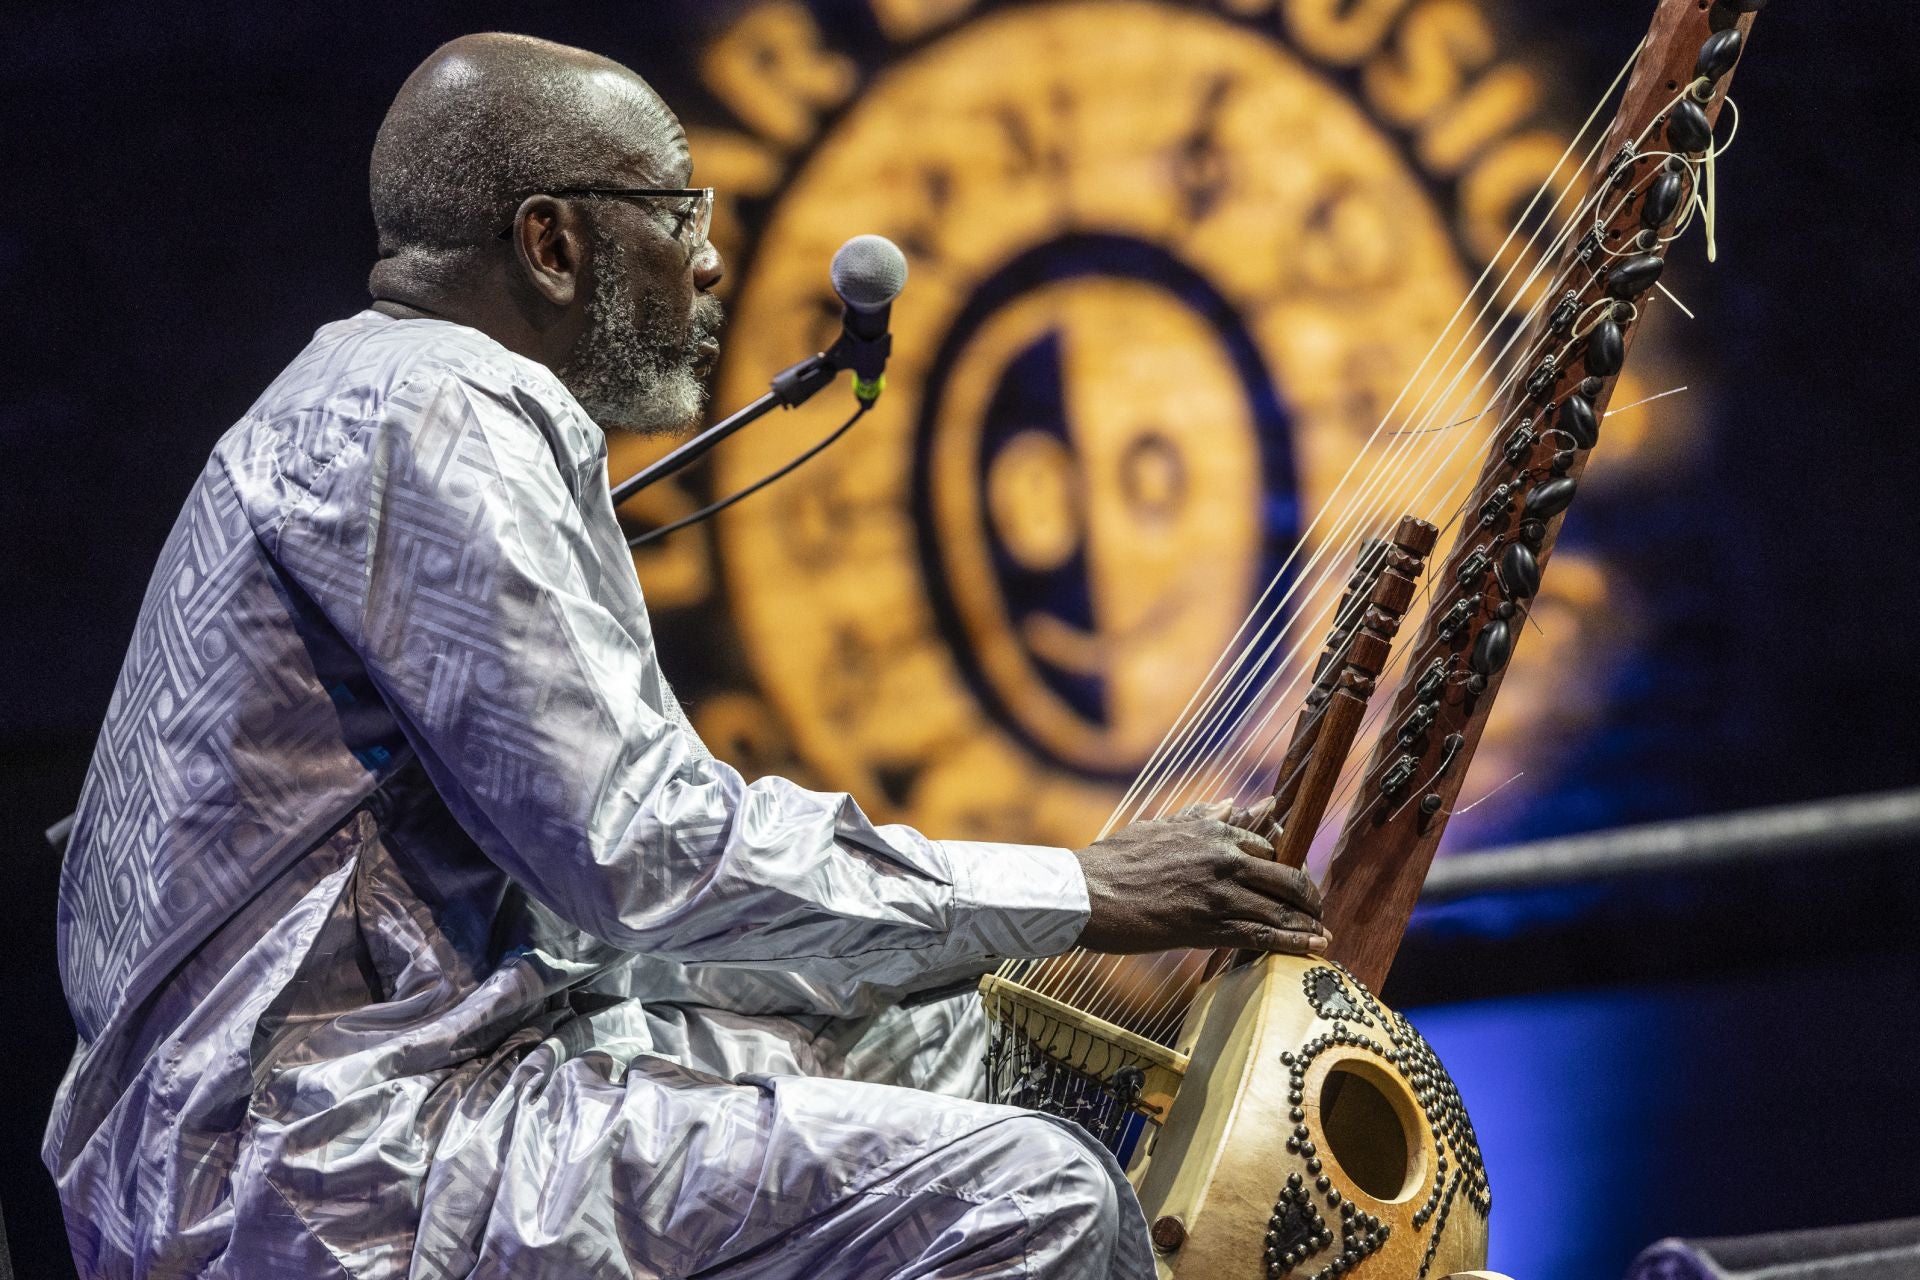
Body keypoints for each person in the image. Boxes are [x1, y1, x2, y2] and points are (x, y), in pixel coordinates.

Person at [45, 33, 1327, 1279]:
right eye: (678, 211)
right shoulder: (443, 410)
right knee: (1038, 1195)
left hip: (311, 1113)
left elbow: (585, 906)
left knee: (953, 1043)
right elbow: (642, 856)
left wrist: (944, 947)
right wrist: (1077, 890)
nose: (710, 260)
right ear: (554, 243)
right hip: (323, 1168)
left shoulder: (356, 392)